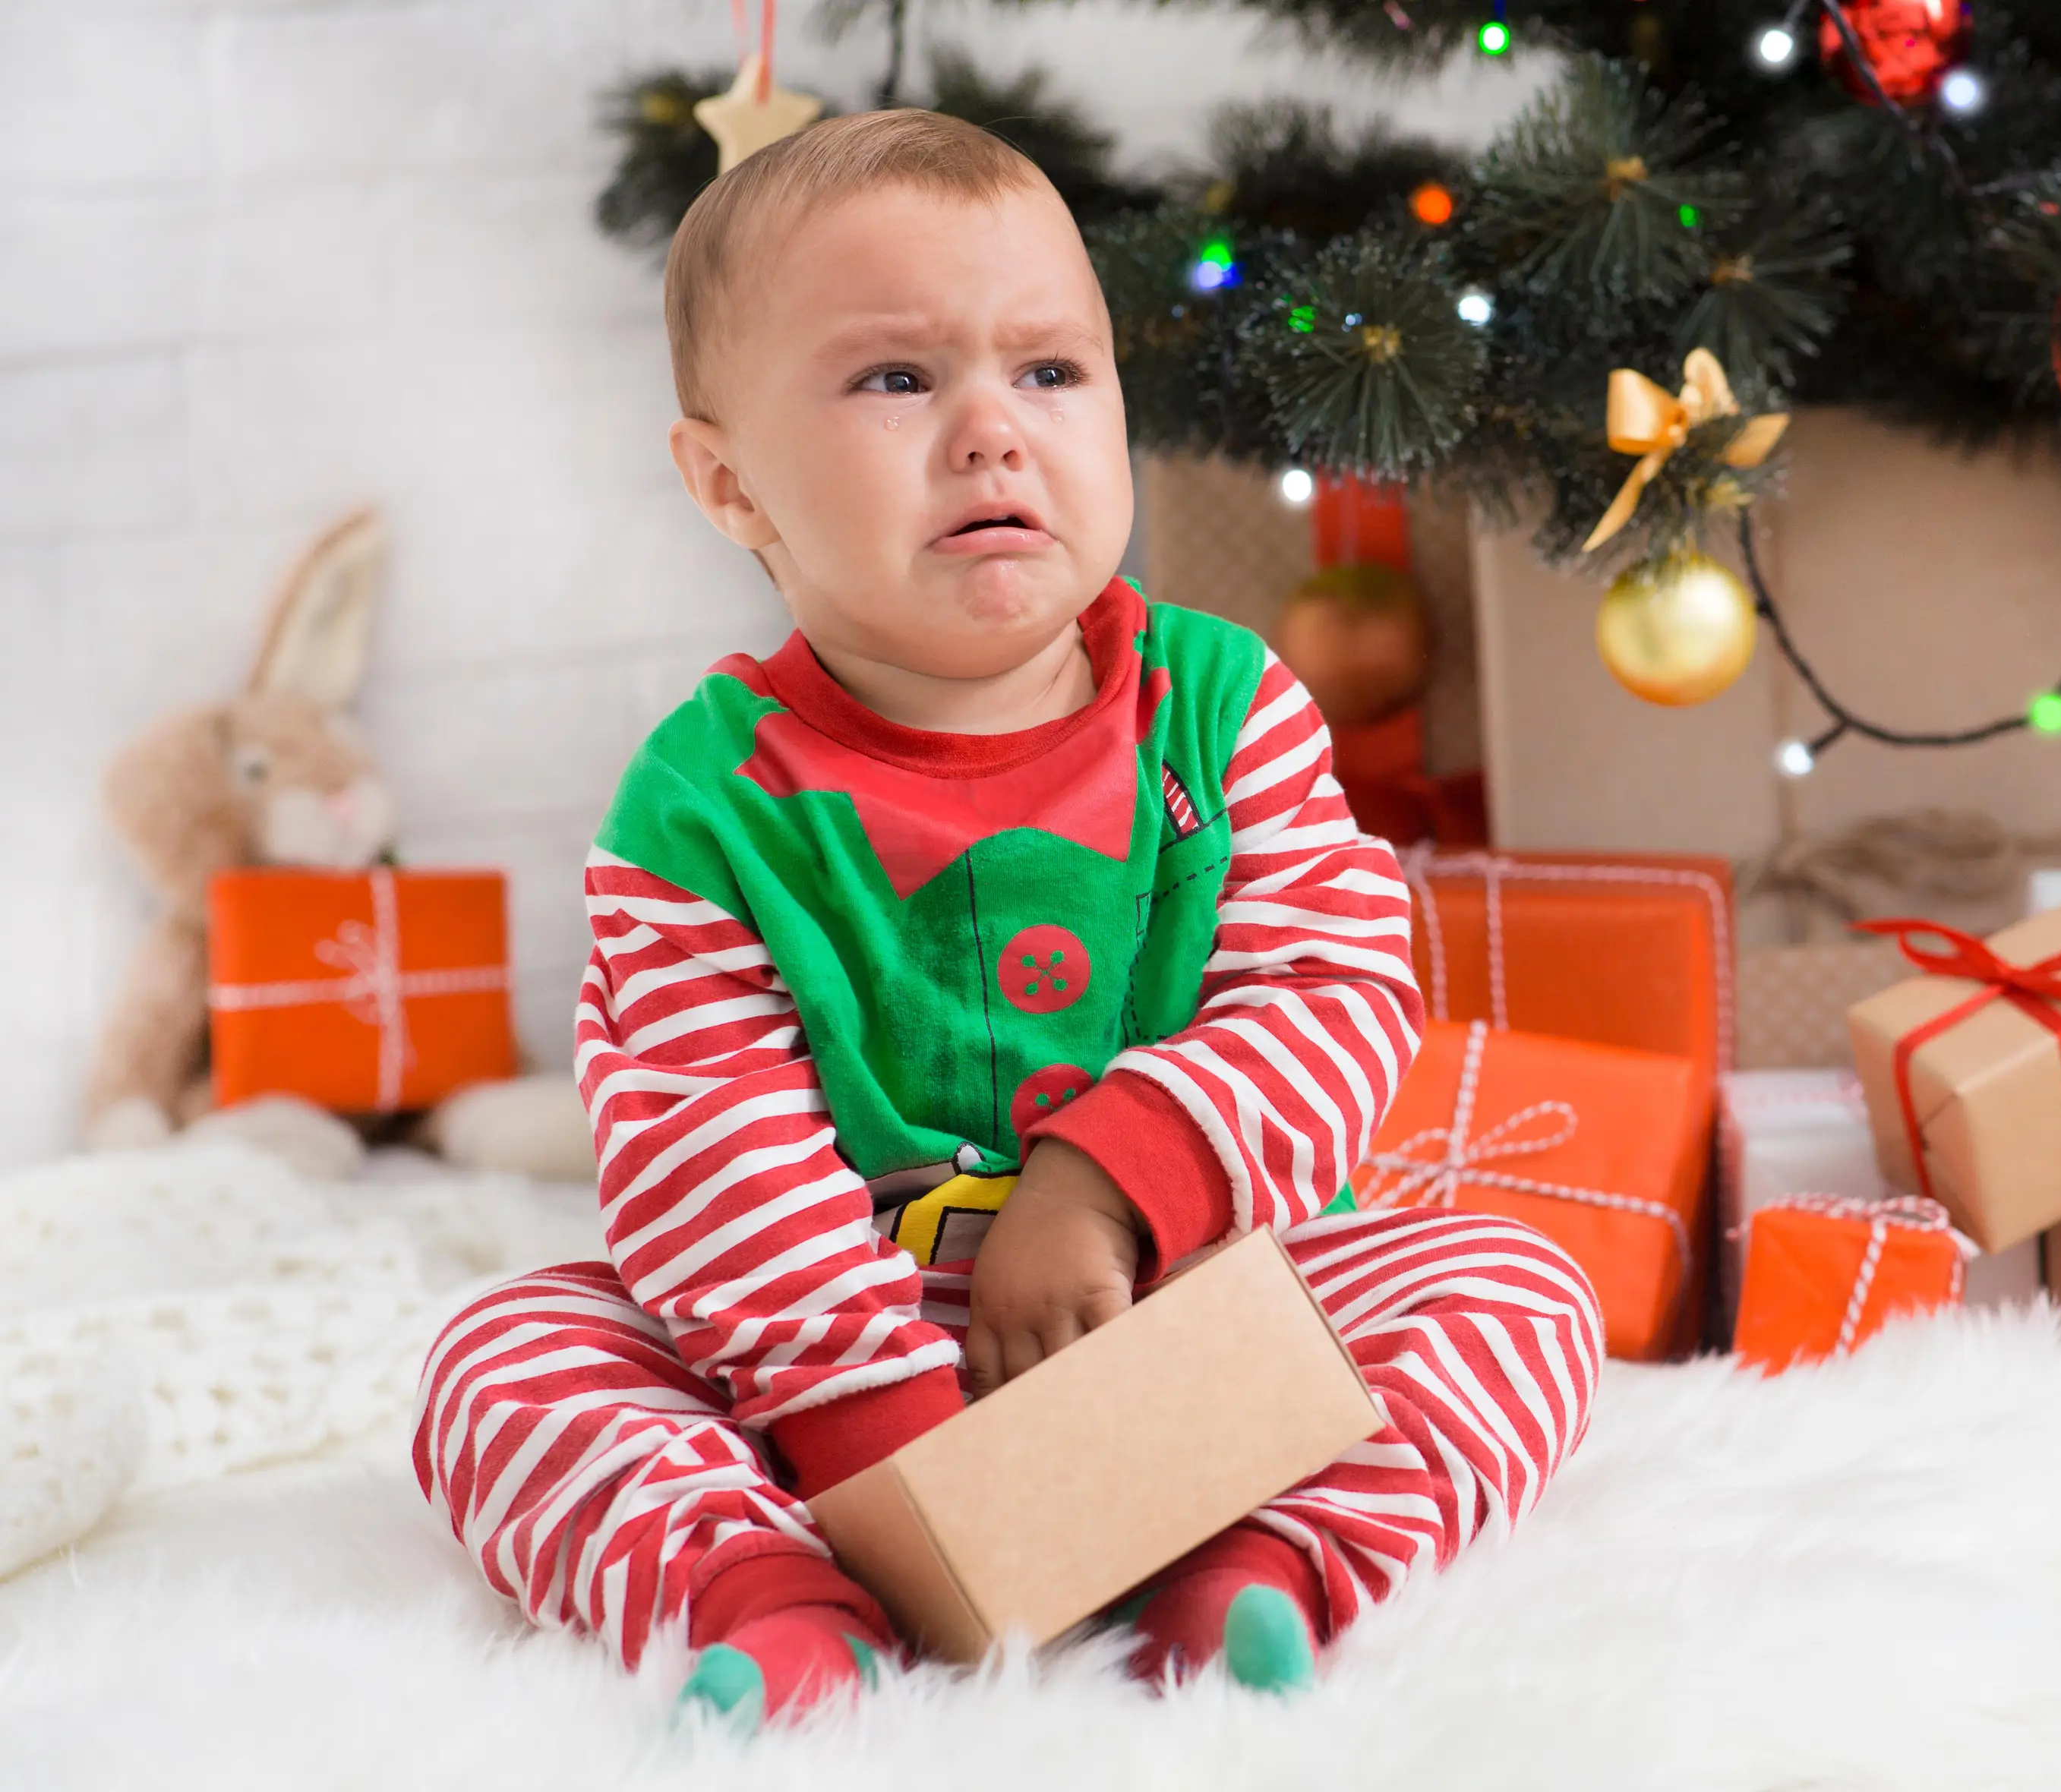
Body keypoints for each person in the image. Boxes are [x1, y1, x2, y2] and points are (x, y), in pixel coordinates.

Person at [410, 109, 1602, 1730]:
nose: (993, 430)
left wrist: (1110, 1185)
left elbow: (1332, 991)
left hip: (1180, 1314)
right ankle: (770, 1601)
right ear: (727, 479)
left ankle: (1264, 1563)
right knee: (504, 1362)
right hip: (824, 1365)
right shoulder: (700, 805)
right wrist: (883, 1448)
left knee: (1513, 1286)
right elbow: (709, 1150)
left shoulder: (1222, 709)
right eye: (899, 378)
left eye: (1051, 372)